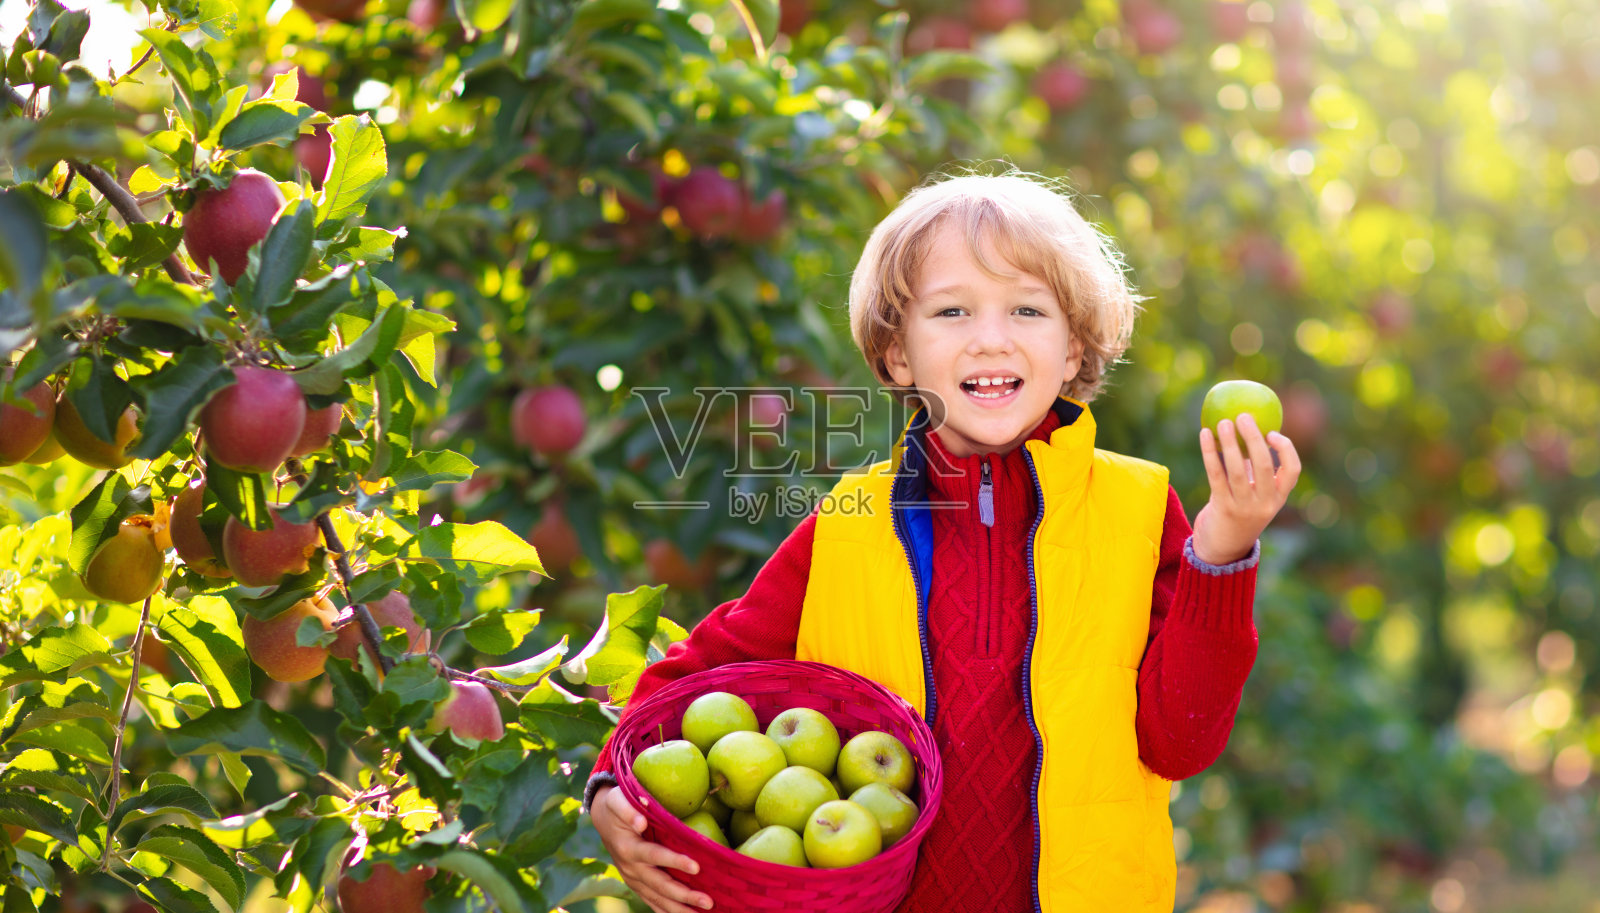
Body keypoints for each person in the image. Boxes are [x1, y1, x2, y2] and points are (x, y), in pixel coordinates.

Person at [583, 170, 1301, 913]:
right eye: (952, 310)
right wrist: (613, 784)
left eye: (1027, 308)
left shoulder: (1141, 509)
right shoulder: (849, 522)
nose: (991, 337)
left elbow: (1180, 742)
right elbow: (694, 681)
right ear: (899, 355)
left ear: (1075, 348)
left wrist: (1221, 549)